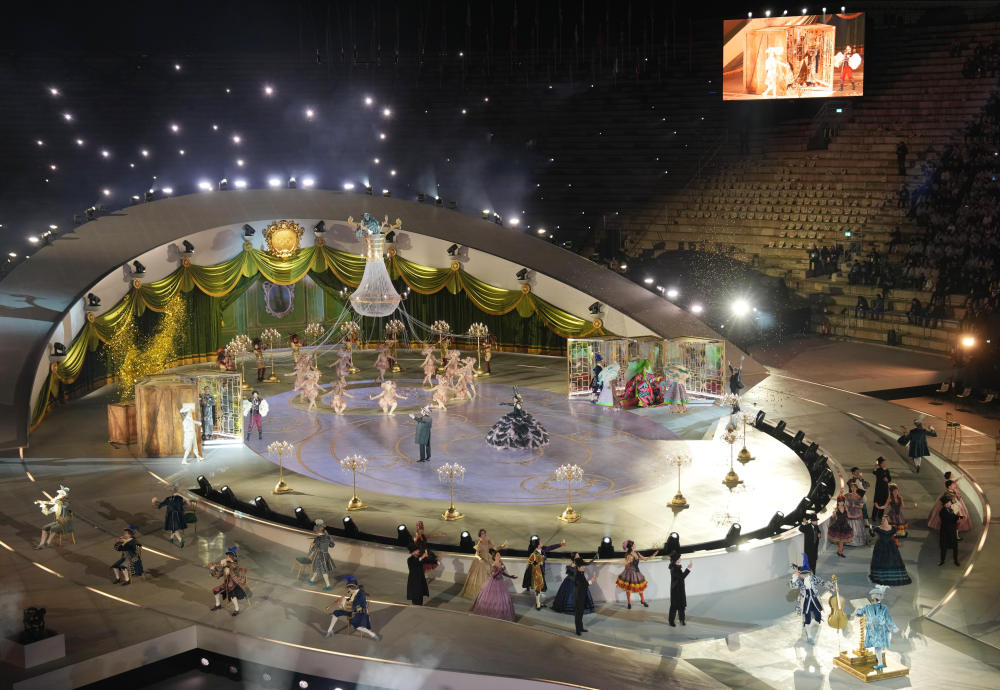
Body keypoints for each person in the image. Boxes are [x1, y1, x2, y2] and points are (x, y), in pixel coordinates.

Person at [486, 386, 550, 449]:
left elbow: (516, 406)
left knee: (516, 427)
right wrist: (514, 390)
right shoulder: (517, 403)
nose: (513, 400)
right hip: (515, 415)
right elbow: (513, 402)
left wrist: (522, 417)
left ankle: (519, 441)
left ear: (517, 400)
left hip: (518, 415)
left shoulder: (518, 404)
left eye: (514, 399)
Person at [789, 556, 832, 645]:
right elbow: (793, 586)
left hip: (815, 600)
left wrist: (833, 587)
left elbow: (822, 582)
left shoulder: (813, 578)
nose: (803, 576)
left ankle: (808, 625)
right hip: (805, 602)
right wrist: (794, 577)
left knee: (818, 618)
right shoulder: (799, 580)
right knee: (807, 618)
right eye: (802, 574)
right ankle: (809, 636)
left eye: (805, 574)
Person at [854, 585, 899, 671]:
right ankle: (880, 663)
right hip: (873, 630)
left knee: (878, 647)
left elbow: (888, 618)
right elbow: (859, 613)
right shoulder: (868, 607)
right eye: (874, 598)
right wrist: (858, 610)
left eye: (876, 598)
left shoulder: (882, 608)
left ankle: (880, 663)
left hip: (880, 630)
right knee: (878, 647)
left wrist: (893, 628)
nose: (874, 600)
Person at [325, 575, 380, 640]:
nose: (348, 590)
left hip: (360, 612)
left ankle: (372, 634)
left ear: (352, 588)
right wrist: (340, 602)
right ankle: (329, 631)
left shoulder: (360, 595)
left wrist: (342, 603)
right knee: (336, 613)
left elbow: (352, 606)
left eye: (349, 588)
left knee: (357, 626)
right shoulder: (353, 593)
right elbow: (349, 604)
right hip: (352, 610)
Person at [470, 549, 518, 622]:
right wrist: (500, 569)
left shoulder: (500, 563)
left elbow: (502, 573)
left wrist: (510, 576)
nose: (499, 556)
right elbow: (493, 576)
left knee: (503, 598)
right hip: (494, 582)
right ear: (494, 557)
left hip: (500, 581)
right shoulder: (494, 564)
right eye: (498, 555)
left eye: (499, 555)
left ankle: (502, 613)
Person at [523, 538, 566, 610]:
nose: (542, 542)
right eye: (540, 542)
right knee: (538, 588)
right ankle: (538, 604)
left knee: (539, 587)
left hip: (541, 572)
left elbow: (550, 547)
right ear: (538, 545)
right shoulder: (534, 553)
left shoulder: (542, 550)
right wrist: (540, 561)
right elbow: (531, 562)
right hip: (537, 573)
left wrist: (560, 544)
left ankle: (538, 603)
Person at [459, 529, 502, 600]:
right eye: (482, 533)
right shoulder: (479, 543)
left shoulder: (488, 541)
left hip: (488, 558)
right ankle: (483, 593)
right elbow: (476, 554)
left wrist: (502, 546)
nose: (483, 534)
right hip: (481, 560)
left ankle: (492, 593)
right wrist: (481, 559)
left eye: (484, 533)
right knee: (482, 575)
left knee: (493, 571)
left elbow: (495, 548)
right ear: (480, 535)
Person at [615, 540, 659, 609]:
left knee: (640, 587)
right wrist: (628, 561)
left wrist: (653, 555)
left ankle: (643, 600)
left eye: (634, 545)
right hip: (629, 573)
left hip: (636, 572)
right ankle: (629, 603)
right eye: (633, 545)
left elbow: (645, 559)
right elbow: (626, 565)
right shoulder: (628, 555)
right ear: (630, 547)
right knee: (628, 588)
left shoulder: (637, 553)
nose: (634, 546)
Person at [869, 516, 911, 586]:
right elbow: (873, 534)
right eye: (882, 520)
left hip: (885, 546)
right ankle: (883, 576)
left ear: (887, 520)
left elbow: (873, 534)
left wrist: (871, 531)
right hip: (886, 546)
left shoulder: (880, 528)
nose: (882, 521)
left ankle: (883, 576)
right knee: (886, 560)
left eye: (884, 520)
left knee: (888, 560)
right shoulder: (886, 528)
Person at [211, 547, 251, 616]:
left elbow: (233, 567)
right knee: (215, 590)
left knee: (232, 593)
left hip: (236, 584)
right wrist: (213, 568)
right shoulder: (226, 565)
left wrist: (226, 565)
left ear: (231, 557)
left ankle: (237, 609)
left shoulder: (235, 565)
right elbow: (219, 575)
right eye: (227, 556)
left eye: (228, 556)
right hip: (227, 584)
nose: (226, 557)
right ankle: (218, 604)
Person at [34, 485, 72, 550]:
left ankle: (47, 543)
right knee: (44, 528)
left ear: (63, 496)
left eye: (60, 494)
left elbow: (56, 502)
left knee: (53, 528)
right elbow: (47, 512)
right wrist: (43, 506)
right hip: (58, 522)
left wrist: (45, 501)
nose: (58, 495)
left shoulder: (65, 503)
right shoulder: (56, 504)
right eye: (58, 494)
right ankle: (41, 544)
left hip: (65, 523)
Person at [307, 520, 336, 590]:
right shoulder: (328, 537)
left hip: (319, 555)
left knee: (323, 571)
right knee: (317, 568)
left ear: (317, 531)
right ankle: (312, 580)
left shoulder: (318, 538)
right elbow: (332, 545)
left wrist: (310, 555)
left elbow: (314, 548)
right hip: (326, 554)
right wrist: (328, 538)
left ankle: (328, 586)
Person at [573, 557, 597, 636]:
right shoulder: (577, 575)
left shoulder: (581, 573)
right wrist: (591, 581)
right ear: (578, 567)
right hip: (578, 597)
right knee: (578, 614)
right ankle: (578, 630)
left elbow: (583, 584)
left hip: (581, 596)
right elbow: (583, 585)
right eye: (582, 566)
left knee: (581, 613)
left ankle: (581, 627)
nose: (584, 567)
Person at [668, 552, 692, 627]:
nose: (680, 559)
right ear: (675, 560)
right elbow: (681, 577)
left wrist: (688, 568)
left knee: (681, 605)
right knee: (674, 606)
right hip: (675, 590)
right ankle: (671, 621)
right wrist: (688, 568)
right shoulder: (673, 568)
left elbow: (681, 577)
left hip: (680, 588)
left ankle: (682, 619)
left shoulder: (677, 566)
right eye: (679, 558)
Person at [844, 480, 868, 547]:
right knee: (849, 526)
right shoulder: (847, 495)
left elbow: (861, 506)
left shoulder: (859, 497)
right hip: (849, 512)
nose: (853, 488)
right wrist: (847, 510)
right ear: (850, 488)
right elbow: (844, 503)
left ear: (857, 488)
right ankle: (848, 541)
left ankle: (856, 542)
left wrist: (854, 506)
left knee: (856, 527)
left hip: (856, 513)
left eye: (854, 487)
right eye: (852, 487)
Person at [938, 496, 961, 566]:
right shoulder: (942, 512)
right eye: (948, 502)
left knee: (955, 547)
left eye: (950, 502)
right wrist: (956, 517)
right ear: (945, 504)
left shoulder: (951, 509)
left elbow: (954, 518)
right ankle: (942, 560)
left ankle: (956, 560)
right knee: (944, 548)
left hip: (952, 531)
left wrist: (957, 517)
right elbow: (950, 518)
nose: (950, 503)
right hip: (945, 533)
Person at [871, 458, 891, 523]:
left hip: (885, 489)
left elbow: (890, 478)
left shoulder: (887, 470)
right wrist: (875, 467)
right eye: (883, 463)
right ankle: (873, 516)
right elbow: (874, 472)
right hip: (879, 489)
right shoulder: (879, 470)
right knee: (877, 502)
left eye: (885, 463)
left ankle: (880, 516)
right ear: (880, 464)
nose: (885, 464)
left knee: (883, 502)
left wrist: (887, 480)